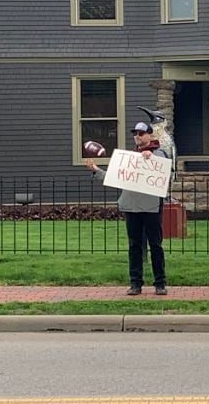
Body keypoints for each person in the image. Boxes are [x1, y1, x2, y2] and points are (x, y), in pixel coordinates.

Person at [85, 121, 168, 296]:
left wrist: (151, 157)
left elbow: (165, 167)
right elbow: (114, 177)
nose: (137, 137)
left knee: (155, 245)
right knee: (134, 246)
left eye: (141, 133)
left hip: (151, 207)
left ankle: (160, 283)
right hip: (131, 207)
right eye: (135, 134)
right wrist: (95, 170)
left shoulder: (160, 153)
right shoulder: (129, 158)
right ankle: (135, 283)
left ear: (150, 135)